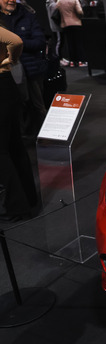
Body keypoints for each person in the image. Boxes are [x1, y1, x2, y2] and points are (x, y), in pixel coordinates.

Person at [0, 22, 37, 222]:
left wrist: (9, 59)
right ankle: (28, 199)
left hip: (2, 88)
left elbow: (16, 41)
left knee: (2, 151)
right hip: (6, 87)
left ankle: (17, 206)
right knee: (14, 146)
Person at [0, 0, 48, 140]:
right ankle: (20, 138)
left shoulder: (27, 15)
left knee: (38, 106)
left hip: (32, 70)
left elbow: (40, 42)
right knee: (15, 107)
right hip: (8, 73)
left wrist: (16, 43)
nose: (11, 1)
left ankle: (45, 139)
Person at [56, 0, 87, 67]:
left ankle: (73, 61)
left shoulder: (59, 1)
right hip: (76, 23)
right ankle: (81, 61)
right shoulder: (74, 0)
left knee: (70, 43)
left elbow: (57, 10)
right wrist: (81, 16)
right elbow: (79, 11)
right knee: (78, 43)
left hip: (65, 24)